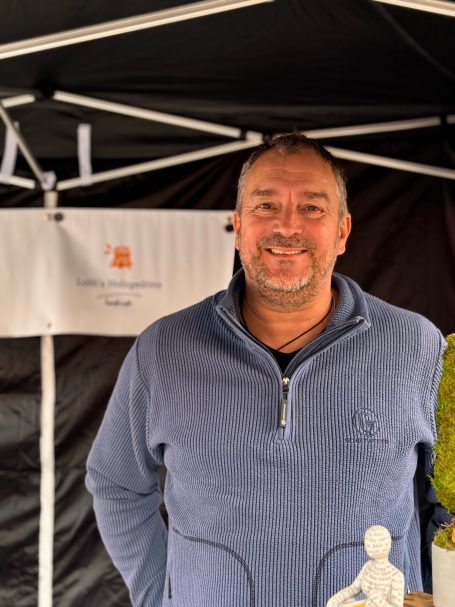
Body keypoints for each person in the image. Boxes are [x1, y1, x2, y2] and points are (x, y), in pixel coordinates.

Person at [86, 134, 446, 607]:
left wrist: (439, 593)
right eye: (266, 205)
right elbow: (116, 483)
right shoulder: (164, 350)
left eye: (312, 208)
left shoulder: (416, 347)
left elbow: (451, 504)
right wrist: (160, 595)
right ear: (238, 226)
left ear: (342, 231)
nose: (287, 226)